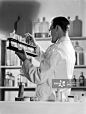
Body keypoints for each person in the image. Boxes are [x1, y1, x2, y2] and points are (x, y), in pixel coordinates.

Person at [15, 16, 75, 101]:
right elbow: (49, 62)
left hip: (49, 100)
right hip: (61, 98)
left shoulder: (56, 50)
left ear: (57, 28)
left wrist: (25, 60)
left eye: (50, 29)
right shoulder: (69, 48)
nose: (49, 34)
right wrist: (34, 46)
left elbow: (38, 77)